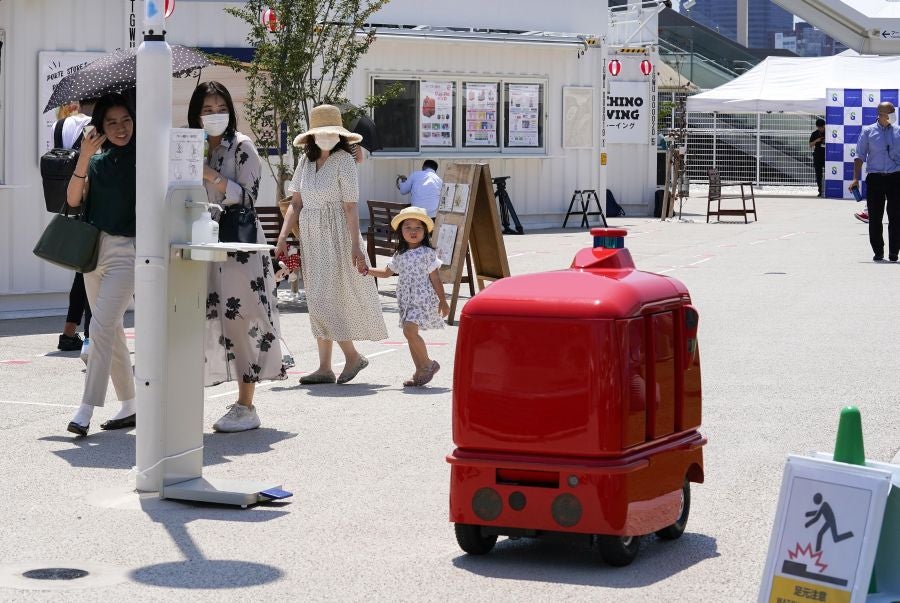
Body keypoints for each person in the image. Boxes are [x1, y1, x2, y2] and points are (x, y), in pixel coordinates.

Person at [188, 81, 287, 432]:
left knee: (242, 317)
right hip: (201, 242)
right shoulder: (191, 146)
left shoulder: (242, 147)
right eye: (206, 109)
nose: (214, 115)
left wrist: (210, 175)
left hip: (238, 246)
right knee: (205, 316)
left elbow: (248, 197)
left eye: (219, 108)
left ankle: (247, 404)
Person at [276, 104, 387, 385]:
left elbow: (350, 206)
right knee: (316, 297)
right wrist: (282, 237)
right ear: (313, 135)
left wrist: (354, 245)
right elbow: (296, 203)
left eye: (331, 132)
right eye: (321, 132)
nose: (326, 137)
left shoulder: (344, 160)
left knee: (329, 297)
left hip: (336, 232)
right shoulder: (305, 161)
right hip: (312, 234)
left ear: (340, 135)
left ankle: (352, 355)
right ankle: (325, 366)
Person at [65, 93, 138, 436]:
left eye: (126, 120)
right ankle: (130, 404)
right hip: (93, 253)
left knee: (100, 327)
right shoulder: (96, 161)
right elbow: (72, 199)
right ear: (100, 127)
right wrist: (84, 156)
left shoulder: (145, 158)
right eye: (112, 122)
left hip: (129, 251)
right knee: (112, 331)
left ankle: (86, 407)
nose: (121, 128)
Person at [363, 207, 448, 387]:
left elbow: (435, 278)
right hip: (406, 300)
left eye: (418, 227)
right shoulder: (400, 254)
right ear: (401, 232)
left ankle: (428, 364)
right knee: (409, 333)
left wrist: (443, 300)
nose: (413, 231)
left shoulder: (427, 253)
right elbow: (386, 273)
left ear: (425, 232)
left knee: (410, 331)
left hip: (422, 298)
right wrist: (366, 271)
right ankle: (419, 371)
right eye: (408, 227)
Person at [55, 99, 98, 360]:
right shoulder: (93, 128)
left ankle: (70, 333)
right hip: (91, 202)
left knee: (83, 272)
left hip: (69, 201)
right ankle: (88, 337)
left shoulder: (60, 125)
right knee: (89, 271)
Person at [850, 101, 900, 262]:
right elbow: (859, 156)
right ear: (881, 114)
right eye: (891, 112)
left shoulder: (899, 131)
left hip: (895, 178)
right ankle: (878, 251)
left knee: (896, 217)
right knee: (875, 218)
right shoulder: (868, 132)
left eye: (894, 111)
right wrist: (855, 178)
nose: (894, 114)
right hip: (875, 178)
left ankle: (894, 252)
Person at [809, 118, 825, 198]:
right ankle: (820, 191)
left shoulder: (828, 133)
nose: (820, 129)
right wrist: (816, 140)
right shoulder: (814, 134)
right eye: (818, 127)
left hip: (827, 157)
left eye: (821, 127)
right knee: (818, 175)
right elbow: (810, 144)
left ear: (824, 126)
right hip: (818, 156)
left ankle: (827, 190)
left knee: (829, 174)